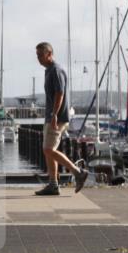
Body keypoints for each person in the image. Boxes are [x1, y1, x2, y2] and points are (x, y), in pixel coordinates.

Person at [35, 42, 88, 196]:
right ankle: (53, 185)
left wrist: (54, 114)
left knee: (48, 149)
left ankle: (78, 172)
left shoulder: (56, 71)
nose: (38, 58)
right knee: (49, 151)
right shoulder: (48, 71)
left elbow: (60, 93)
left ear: (49, 54)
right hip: (51, 116)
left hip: (56, 117)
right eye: (37, 55)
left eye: (40, 54)